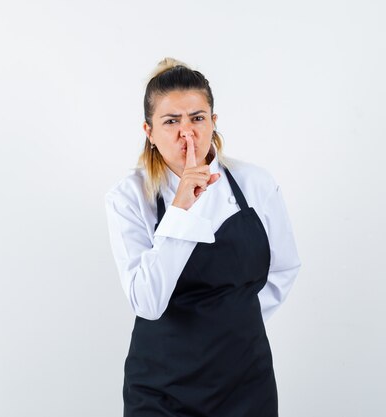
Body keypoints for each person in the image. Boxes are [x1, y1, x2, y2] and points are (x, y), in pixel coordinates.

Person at [104, 57, 302, 416]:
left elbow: (284, 269)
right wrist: (180, 209)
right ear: (148, 132)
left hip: (246, 382)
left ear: (213, 122)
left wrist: (231, 322)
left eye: (197, 118)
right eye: (171, 121)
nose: (187, 133)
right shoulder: (128, 198)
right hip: (162, 389)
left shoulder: (254, 183)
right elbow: (146, 302)